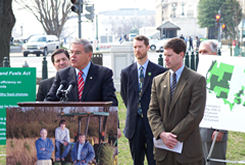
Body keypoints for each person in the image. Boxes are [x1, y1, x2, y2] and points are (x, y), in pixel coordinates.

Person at [147, 37, 207, 165]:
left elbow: (195, 114)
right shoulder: (158, 81)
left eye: (169, 55)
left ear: (181, 55)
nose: (166, 59)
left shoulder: (196, 80)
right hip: (163, 153)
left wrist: (172, 137)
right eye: (164, 55)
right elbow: (152, 111)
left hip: (187, 151)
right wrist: (162, 134)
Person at [120, 35, 167, 165]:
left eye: (140, 47)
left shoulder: (159, 71)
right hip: (134, 124)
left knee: (154, 160)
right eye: (135, 47)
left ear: (147, 47)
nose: (137, 50)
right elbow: (125, 96)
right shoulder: (126, 72)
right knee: (137, 161)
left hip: (153, 123)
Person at [45, 38, 118, 105]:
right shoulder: (62, 75)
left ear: (89, 55)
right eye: (71, 52)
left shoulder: (103, 74)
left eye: (77, 53)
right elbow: (48, 102)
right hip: (68, 119)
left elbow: (111, 103)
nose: (72, 56)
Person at [198, 40, 228, 165]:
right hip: (199, 130)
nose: (201, 54)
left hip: (214, 132)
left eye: (205, 51)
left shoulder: (223, 73)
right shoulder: (199, 72)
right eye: (199, 52)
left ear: (214, 54)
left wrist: (221, 130)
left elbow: (227, 103)